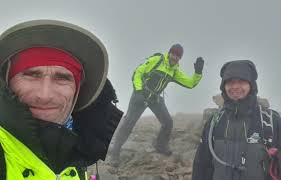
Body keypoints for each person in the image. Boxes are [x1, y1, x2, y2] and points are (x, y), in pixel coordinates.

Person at [0, 20, 123, 179]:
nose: (45, 95)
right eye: (31, 75)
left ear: (77, 91)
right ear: (7, 82)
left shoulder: (78, 148)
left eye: (62, 78)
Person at [192, 60, 281, 180]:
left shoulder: (271, 122)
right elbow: (201, 166)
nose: (235, 86)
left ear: (251, 85)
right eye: (230, 82)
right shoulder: (214, 122)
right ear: (223, 87)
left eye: (241, 81)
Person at [110, 44, 204, 166]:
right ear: (169, 53)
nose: (174, 57)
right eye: (173, 54)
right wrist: (139, 90)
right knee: (129, 123)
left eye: (178, 56)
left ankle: (160, 145)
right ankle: (115, 153)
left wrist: (198, 72)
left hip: (155, 98)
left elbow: (190, 84)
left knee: (168, 122)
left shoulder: (174, 71)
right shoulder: (157, 60)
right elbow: (138, 72)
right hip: (140, 95)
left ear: (180, 58)